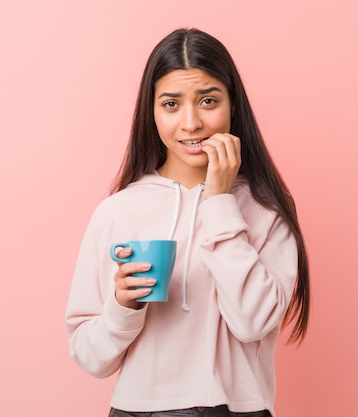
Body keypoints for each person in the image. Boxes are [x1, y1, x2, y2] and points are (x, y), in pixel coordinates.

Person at [65, 28, 309, 417]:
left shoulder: (266, 210)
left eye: (208, 100)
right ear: (152, 111)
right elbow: (90, 357)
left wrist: (219, 200)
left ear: (233, 106)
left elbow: (253, 323)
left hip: (236, 409)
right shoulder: (117, 211)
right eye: (171, 104)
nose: (191, 123)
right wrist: (123, 306)